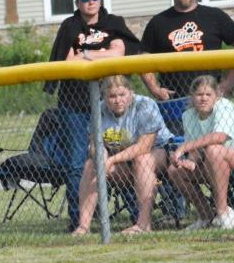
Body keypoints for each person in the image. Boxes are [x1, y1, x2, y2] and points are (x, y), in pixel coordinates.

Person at [45, 0, 139, 231]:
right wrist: (102, 52)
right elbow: (65, 62)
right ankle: (79, 221)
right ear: (77, 2)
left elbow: (119, 54)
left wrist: (85, 55)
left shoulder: (113, 22)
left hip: (111, 104)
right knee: (77, 163)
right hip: (74, 104)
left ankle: (137, 217)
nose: (90, 1)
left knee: (120, 157)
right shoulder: (70, 26)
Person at [72, 75, 174, 236]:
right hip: (121, 161)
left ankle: (143, 224)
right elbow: (94, 143)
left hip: (158, 155)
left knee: (142, 160)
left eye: (122, 95)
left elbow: (144, 147)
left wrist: (111, 160)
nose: (117, 100)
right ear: (104, 97)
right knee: (91, 165)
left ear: (130, 93)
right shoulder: (99, 109)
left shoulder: (145, 105)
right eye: (112, 96)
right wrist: (101, 157)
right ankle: (83, 227)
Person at [167, 75, 234, 230]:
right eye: (199, 94)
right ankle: (206, 216)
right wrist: (190, 161)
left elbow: (219, 137)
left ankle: (223, 212)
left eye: (208, 94)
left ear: (216, 96)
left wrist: (183, 148)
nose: (203, 98)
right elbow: (196, 150)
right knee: (175, 170)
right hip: (215, 163)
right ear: (192, 96)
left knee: (214, 150)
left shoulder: (224, 106)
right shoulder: (188, 115)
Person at [141, 0, 234, 104]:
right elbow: (143, 58)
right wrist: (156, 90)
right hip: (174, 102)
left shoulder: (215, 16)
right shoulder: (158, 22)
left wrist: (228, 83)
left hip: (210, 98)